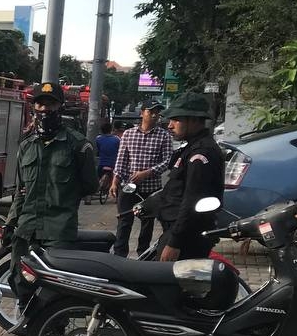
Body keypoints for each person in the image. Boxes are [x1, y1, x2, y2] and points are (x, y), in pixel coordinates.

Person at [3, 82, 98, 336]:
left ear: (61, 107)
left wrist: (61, 202)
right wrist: (11, 225)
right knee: (23, 288)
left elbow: (89, 186)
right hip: (27, 230)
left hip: (58, 231)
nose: (44, 110)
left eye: (50, 105)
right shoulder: (26, 145)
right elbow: (20, 191)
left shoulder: (77, 145)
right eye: (40, 105)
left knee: (55, 294)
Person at [156, 93, 225, 262]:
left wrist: (175, 243)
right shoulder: (190, 148)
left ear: (194, 120)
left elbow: (192, 201)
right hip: (178, 232)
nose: (170, 126)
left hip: (187, 238)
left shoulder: (202, 154)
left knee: (165, 285)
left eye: (176, 120)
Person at [112, 100, 175, 257]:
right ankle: (119, 257)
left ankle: (142, 255)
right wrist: (115, 181)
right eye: (150, 111)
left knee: (147, 225)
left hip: (151, 188)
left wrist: (148, 172)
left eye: (157, 112)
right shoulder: (128, 134)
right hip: (128, 186)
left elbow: (168, 161)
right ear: (142, 113)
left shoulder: (164, 136)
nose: (154, 115)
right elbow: (121, 160)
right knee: (124, 222)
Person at [94, 122, 120, 196]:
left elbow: (98, 149)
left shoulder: (98, 138)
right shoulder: (117, 139)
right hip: (113, 163)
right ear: (111, 129)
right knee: (116, 178)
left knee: (98, 176)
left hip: (102, 163)